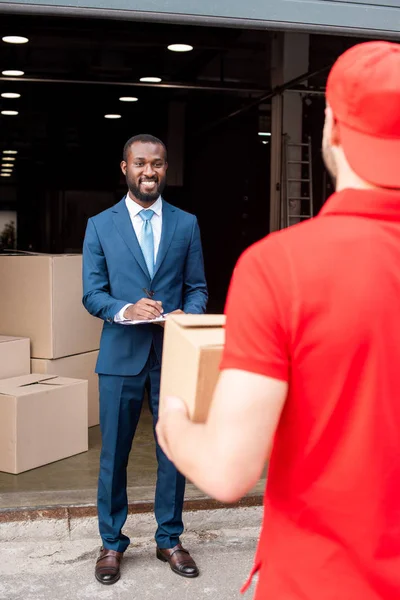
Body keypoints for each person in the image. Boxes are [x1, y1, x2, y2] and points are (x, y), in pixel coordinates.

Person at [156, 40, 400, 600]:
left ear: (333, 125)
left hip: (319, 582)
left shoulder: (281, 267)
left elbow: (227, 471)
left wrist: (172, 421)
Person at [82, 133, 207, 585]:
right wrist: (126, 309)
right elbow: (92, 293)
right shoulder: (100, 225)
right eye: (140, 164)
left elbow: (198, 289)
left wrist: (183, 316)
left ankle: (169, 539)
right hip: (120, 356)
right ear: (125, 168)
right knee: (113, 454)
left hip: (172, 354)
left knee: (172, 452)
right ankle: (111, 544)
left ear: (165, 168)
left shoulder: (186, 223)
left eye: (156, 164)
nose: (148, 172)